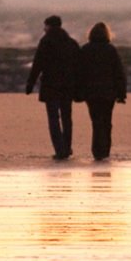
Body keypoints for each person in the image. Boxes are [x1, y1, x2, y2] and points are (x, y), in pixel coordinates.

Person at [26, 15, 80, 160]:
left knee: (53, 118)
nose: (44, 29)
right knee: (67, 118)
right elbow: (79, 66)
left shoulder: (46, 42)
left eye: (45, 26)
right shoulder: (71, 42)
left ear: (49, 26)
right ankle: (67, 147)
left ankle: (60, 149)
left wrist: (30, 84)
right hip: (68, 86)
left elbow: (37, 64)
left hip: (51, 85)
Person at [78, 22, 127, 161]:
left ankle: (97, 150)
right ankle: (104, 150)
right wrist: (121, 94)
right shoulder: (110, 50)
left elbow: (79, 73)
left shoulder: (85, 49)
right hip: (108, 92)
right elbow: (119, 73)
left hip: (91, 92)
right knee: (107, 121)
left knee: (96, 121)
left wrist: (78, 92)